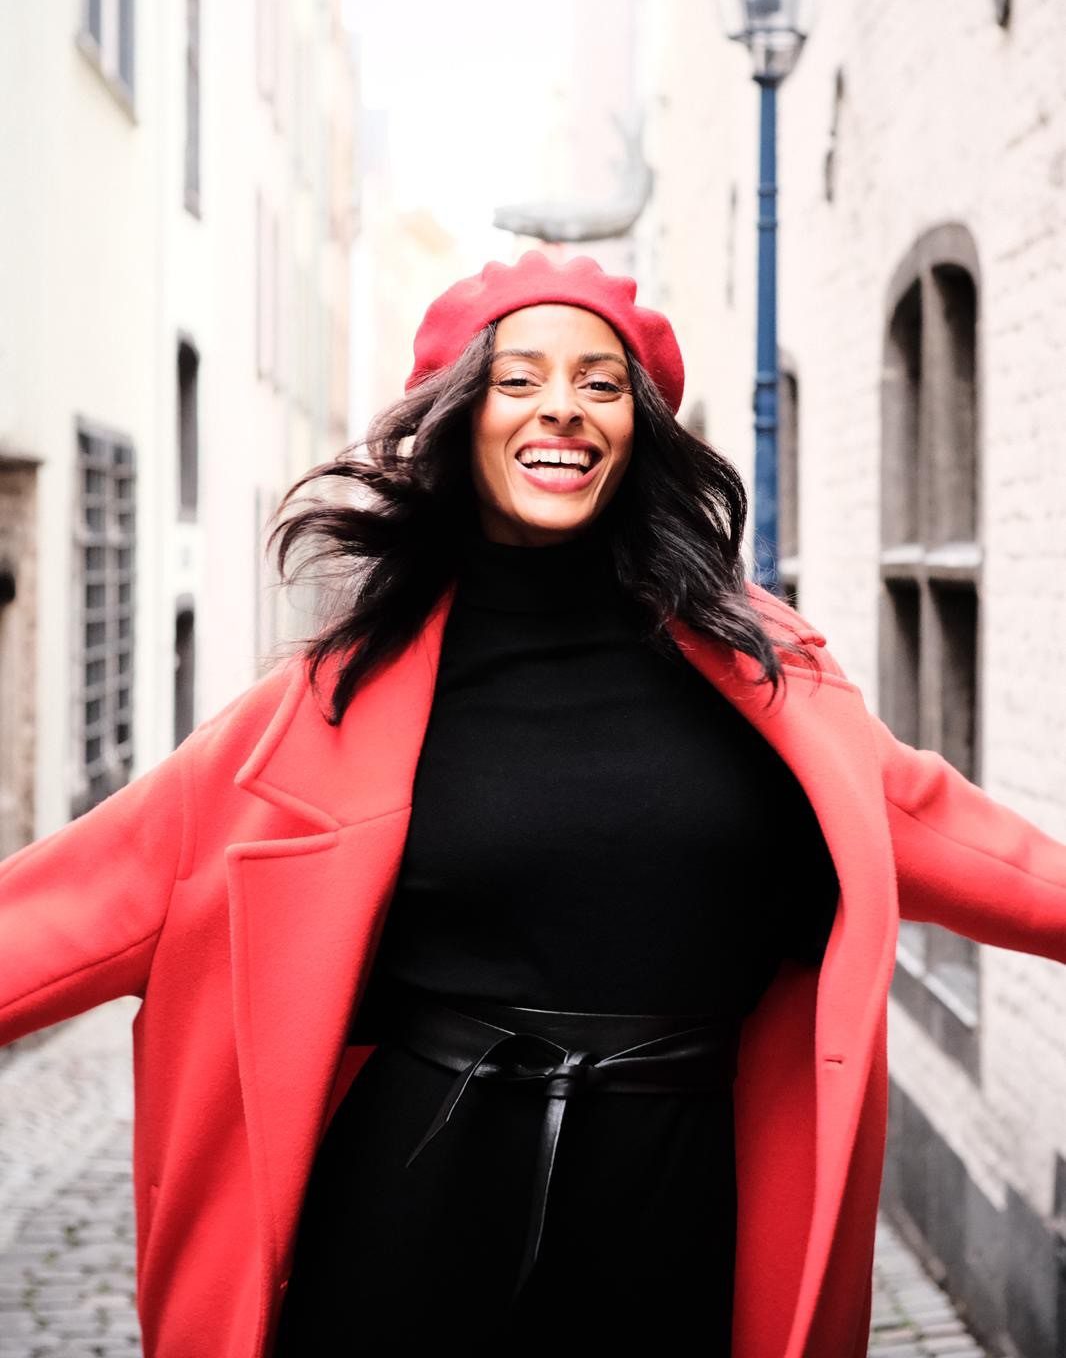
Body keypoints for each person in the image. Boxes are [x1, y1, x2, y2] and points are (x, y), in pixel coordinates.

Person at [2, 251, 1066, 1358]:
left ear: (637, 429)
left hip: (674, 1209)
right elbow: (79, 901)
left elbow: (952, 836)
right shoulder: (326, 707)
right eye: (518, 379)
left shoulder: (763, 682)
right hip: (409, 1211)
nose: (562, 405)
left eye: (600, 383)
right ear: (460, 416)